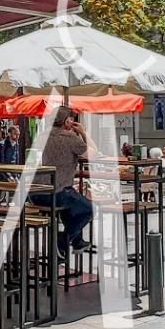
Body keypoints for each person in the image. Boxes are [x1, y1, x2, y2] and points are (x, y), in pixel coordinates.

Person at [38, 107, 96, 255]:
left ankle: (77, 242)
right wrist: (83, 132)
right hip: (56, 192)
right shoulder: (70, 138)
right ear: (67, 121)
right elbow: (94, 154)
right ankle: (63, 239)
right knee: (89, 209)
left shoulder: (43, 135)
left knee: (71, 206)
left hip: (36, 193)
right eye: (71, 119)